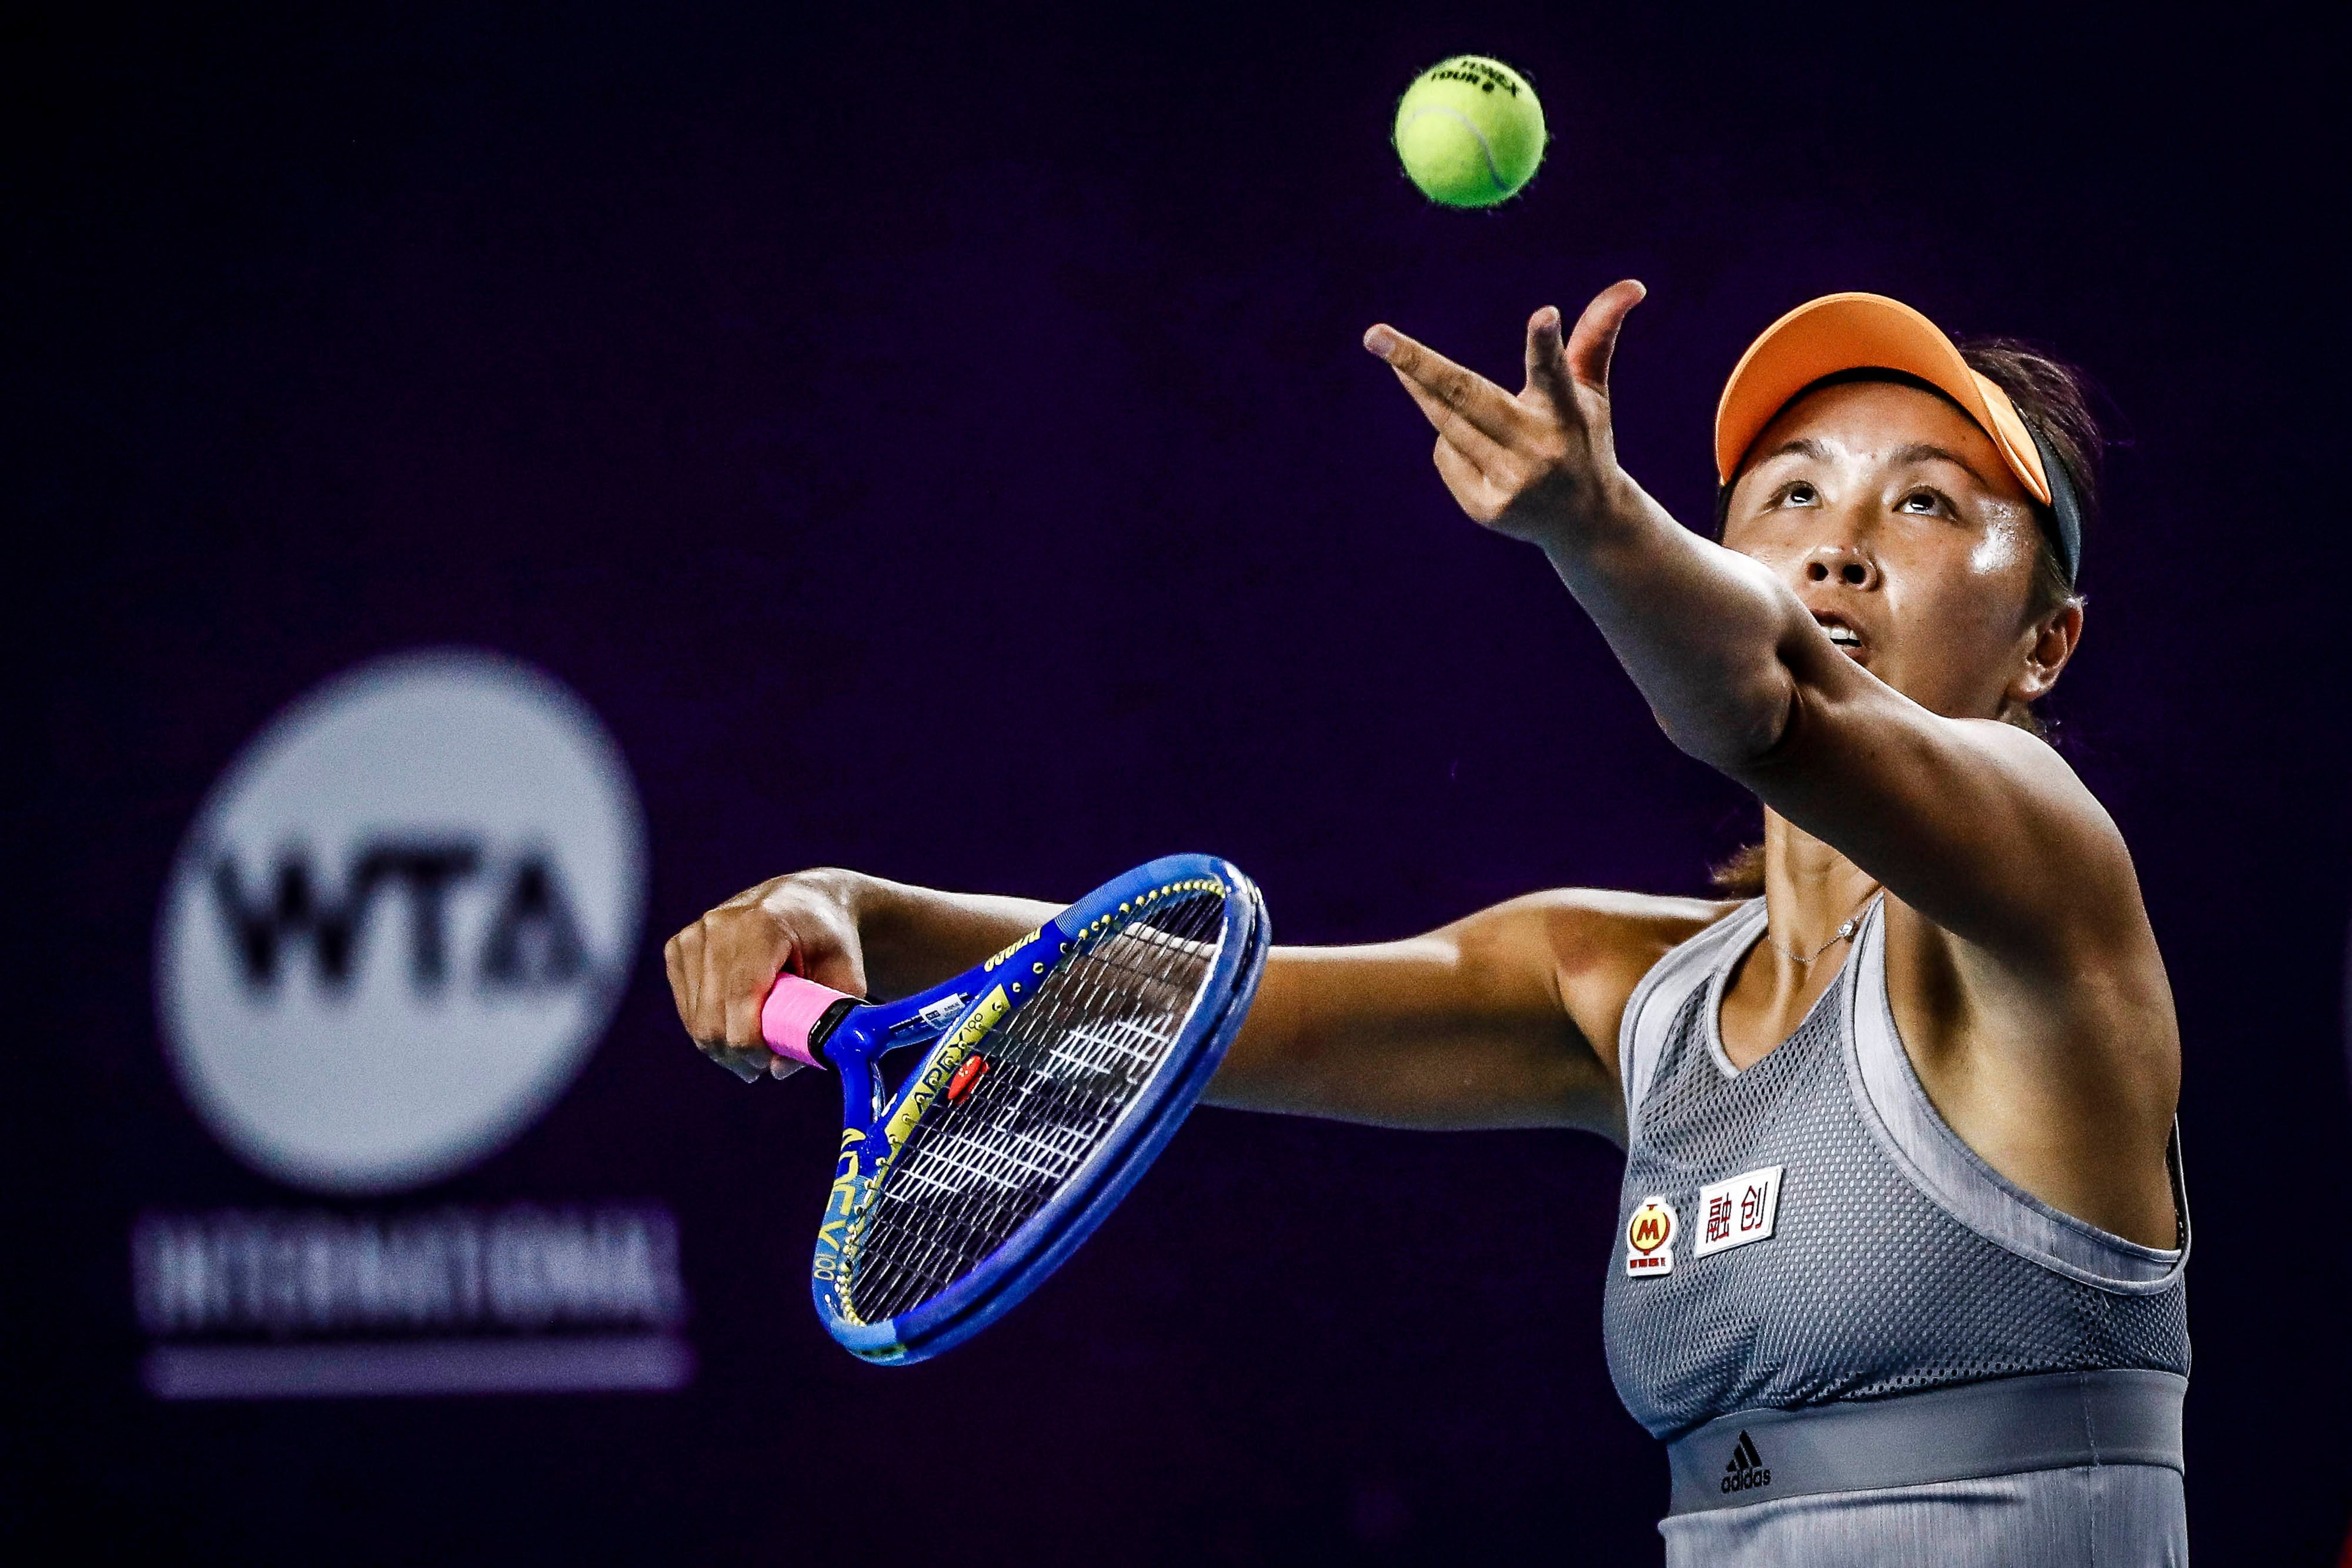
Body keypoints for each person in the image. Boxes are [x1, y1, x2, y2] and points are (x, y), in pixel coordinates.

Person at [664, 285, 2189, 1566]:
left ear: (2047, 640)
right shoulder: (1617, 985)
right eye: (1792, 491)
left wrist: (1598, 529)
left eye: (1924, 501)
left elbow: (1777, 700)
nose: (1841, 542)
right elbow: (1179, 1003)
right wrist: (858, 907)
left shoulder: (2045, 882)